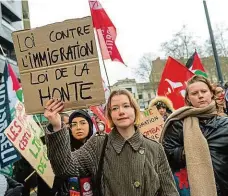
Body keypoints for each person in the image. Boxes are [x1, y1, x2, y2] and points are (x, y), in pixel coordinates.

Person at [44, 89, 179, 196]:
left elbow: (169, 192)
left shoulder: (155, 148)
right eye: (114, 108)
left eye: (126, 106)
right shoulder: (98, 144)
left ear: (135, 110)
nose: (121, 112)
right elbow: (65, 168)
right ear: (109, 115)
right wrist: (56, 125)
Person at [160, 75, 228, 196]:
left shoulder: (225, 123)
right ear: (188, 98)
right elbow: (165, 156)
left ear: (211, 94)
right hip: (192, 190)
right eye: (195, 93)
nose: (200, 96)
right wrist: (190, 151)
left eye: (204, 91)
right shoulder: (178, 124)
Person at [38, 110, 94, 196]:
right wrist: (56, 126)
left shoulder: (98, 146)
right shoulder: (63, 147)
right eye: (74, 124)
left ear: (90, 125)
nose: (78, 127)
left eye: (83, 123)